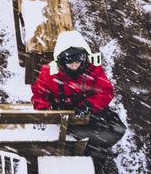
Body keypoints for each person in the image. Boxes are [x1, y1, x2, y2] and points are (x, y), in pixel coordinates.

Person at [32, 30, 126, 167]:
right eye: (70, 63)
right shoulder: (49, 72)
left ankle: (94, 147)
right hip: (64, 114)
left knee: (118, 128)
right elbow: (39, 94)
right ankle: (93, 151)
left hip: (88, 110)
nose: (75, 66)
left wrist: (89, 104)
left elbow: (106, 91)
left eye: (78, 62)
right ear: (61, 61)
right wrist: (47, 110)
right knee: (92, 134)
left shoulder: (93, 69)